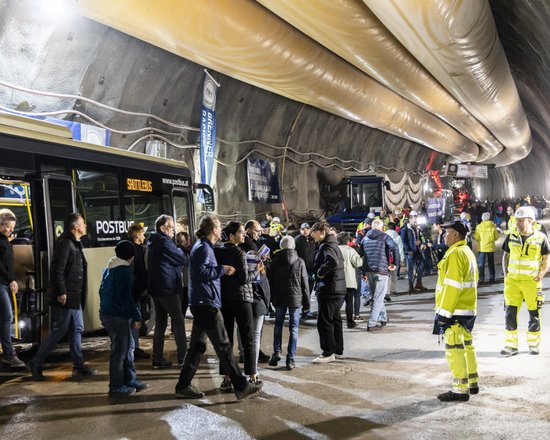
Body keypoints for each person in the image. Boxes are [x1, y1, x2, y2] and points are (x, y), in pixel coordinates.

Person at [175, 215, 262, 400]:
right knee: (223, 345)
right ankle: (240, 385)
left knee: (197, 347)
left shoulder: (205, 247)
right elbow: (200, 273)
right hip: (206, 302)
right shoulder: (204, 248)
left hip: (203, 301)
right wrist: (222, 269)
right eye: (219, 226)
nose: (221, 228)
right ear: (213, 230)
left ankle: (183, 385)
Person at [28, 213, 95, 380]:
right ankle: (36, 362)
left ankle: (78, 365)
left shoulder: (75, 243)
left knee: (77, 329)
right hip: (66, 296)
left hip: (74, 296)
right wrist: (62, 291)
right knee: (59, 331)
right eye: (83, 223)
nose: (85, 226)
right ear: (75, 227)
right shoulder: (66, 244)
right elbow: (57, 270)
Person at [434, 220, 479, 402]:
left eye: (447, 233)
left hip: (455, 311)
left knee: (454, 349)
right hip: (467, 308)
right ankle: (472, 382)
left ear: (455, 235)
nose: (444, 236)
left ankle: (460, 390)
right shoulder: (466, 252)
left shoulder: (454, 255)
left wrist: (443, 315)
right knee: (467, 347)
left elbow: (452, 287)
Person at [214, 221, 260, 389]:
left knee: (227, 340)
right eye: (240, 232)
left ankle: (226, 378)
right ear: (231, 236)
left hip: (224, 300)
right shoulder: (238, 252)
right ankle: (252, 376)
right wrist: (257, 270)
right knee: (248, 338)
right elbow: (243, 279)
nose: (243, 235)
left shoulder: (217, 250)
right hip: (242, 299)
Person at [99, 240, 148, 396]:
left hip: (109, 312)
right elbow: (125, 297)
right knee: (120, 351)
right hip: (117, 315)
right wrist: (137, 316)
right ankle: (116, 385)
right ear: (132, 255)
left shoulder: (109, 267)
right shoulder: (124, 271)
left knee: (128, 348)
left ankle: (130, 379)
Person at [501, 206, 550, 356]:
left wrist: (541, 274)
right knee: (510, 313)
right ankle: (511, 346)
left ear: (531, 221)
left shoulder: (541, 238)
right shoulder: (511, 236)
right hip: (512, 283)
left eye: (521, 221)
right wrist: (506, 275)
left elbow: (546, 258)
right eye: (517, 221)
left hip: (531, 283)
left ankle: (534, 344)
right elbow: (505, 257)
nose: (518, 224)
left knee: (533, 313)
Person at [147, 215, 189, 368]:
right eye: (171, 227)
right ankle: (184, 357)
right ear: (163, 228)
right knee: (178, 321)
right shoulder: (164, 242)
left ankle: (157, 358)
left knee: (161, 323)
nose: (174, 231)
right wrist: (181, 250)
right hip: (167, 287)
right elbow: (182, 259)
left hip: (157, 287)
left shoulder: (154, 241)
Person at [269, 236, 310, 370]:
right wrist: (307, 303)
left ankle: (276, 351)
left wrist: (271, 299)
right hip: (295, 299)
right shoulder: (300, 262)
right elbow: (305, 284)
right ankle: (290, 358)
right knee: (293, 328)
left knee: (278, 325)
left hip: (279, 298)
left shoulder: (275, 261)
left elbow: (271, 282)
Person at [310, 222, 346, 364]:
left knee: (324, 321)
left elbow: (332, 261)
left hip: (330, 290)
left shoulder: (326, 245)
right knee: (335, 319)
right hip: (337, 289)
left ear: (322, 232)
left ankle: (328, 352)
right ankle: (337, 349)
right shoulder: (332, 244)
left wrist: (320, 273)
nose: (312, 234)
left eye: (314, 232)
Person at [361, 220, 399, 331]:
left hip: (369, 270)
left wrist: (363, 272)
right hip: (381, 270)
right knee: (378, 298)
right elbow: (395, 247)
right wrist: (395, 264)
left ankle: (383, 318)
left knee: (377, 296)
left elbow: (361, 255)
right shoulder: (385, 237)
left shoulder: (364, 238)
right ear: (381, 228)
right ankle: (371, 323)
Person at [0, 209, 25, 367]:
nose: (10, 230)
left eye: (12, 227)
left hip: (4, 282)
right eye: (7, 226)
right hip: (1, 282)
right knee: (7, 316)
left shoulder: (4, 240)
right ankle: (8, 354)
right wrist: (11, 280)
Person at [127, 223, 149, 360]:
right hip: (135, 290)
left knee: (135, 319)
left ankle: (134, 347)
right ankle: (132, 348)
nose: (144, 236)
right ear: (136, 236)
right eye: (142, 234)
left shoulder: (136, 249)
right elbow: (136, 271)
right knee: (133, 319)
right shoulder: (135, 250)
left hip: (137, 289)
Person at [336, 232, 363, 328]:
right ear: (347, 241)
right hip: (348, 280)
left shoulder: (335, 250)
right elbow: (358, 263)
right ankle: (350, 322)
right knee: (349, 302)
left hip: (337, 281)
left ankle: (334, 320)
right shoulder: (351, 250)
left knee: (337, 302)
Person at [400, 210, 426, 293]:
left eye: (416, 218)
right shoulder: (405, 229)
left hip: (418, 251)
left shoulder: (417, 228)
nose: (415, 220)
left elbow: (421, 238)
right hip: (410, 252)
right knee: (410, 269)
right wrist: (408, 251)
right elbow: (403, 241)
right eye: (414, 218)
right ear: (410, 218)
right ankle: (410, 285)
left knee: (421, 266)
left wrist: (421, 243)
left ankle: (419, 283)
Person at [473, 212, 500, 283]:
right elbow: (496, 237)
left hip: (482, 248)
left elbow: (476, 237)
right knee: (491, 263)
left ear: (482, 218)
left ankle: (481, 278)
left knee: (481, 264)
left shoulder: (479, 227)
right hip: (490, 247)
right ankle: (492, 278)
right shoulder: (493, 226)